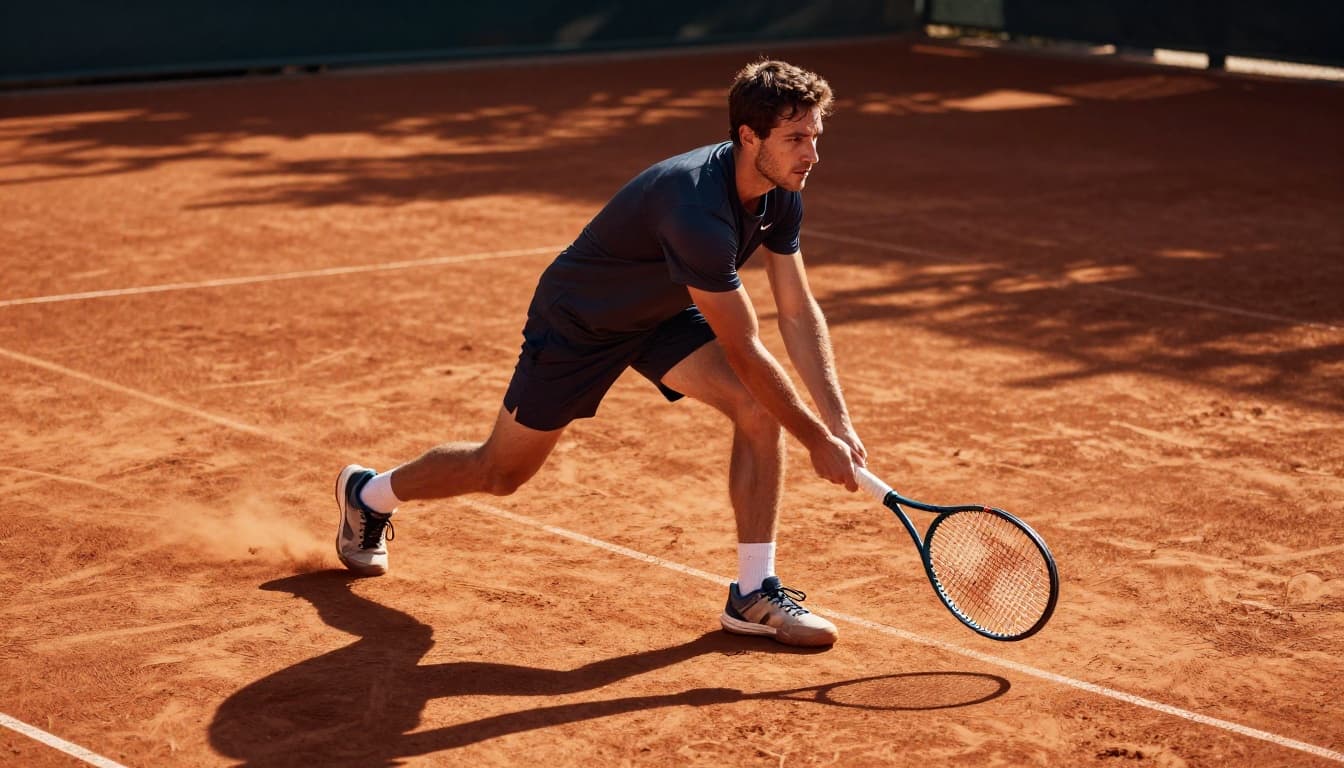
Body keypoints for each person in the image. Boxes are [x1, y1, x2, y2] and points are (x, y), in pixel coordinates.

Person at [335, 59, 866, 648]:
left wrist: (837, 421)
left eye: (814, 136)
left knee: (757, 408)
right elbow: (743, 346)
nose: (811, 154)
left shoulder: (780, 192)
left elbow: (796, 311)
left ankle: (752, 592)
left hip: (661, 313)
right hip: (580, 321)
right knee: (500, 472)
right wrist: (816, 439)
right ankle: (368, 494)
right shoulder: (695, 208)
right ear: (749, 136)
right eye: (795, 139)